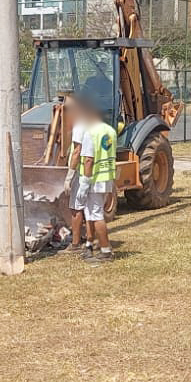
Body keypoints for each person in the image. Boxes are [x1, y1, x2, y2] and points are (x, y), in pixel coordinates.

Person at [75, 94, 117, 264]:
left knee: (96, 215)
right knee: (91, 214)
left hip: (94, 179)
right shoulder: (110, 131)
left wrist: (84, 184)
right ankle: (89, 245)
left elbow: (89, 160)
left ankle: (106, 250)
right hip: (107, 177)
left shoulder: (89, 133)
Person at [64, 96, 93, 256]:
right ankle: (89, 240)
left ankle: (75, 244)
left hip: (82, 173)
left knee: (76, 209)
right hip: (93, 174)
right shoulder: (94, 125)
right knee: (90, 209)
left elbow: (77, 151)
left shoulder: (80, 126)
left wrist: (69, 175)